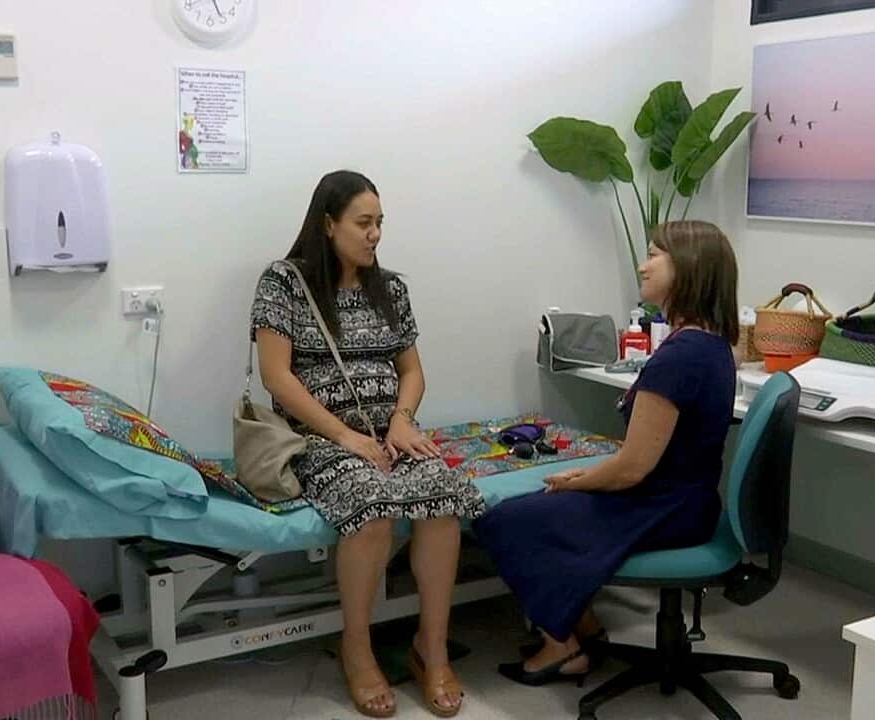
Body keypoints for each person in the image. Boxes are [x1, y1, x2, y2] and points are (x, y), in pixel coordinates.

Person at [251, 170, 485, 718]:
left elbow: (413, 371)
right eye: (363, 222)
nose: (375, 233)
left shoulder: (391, 289)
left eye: (380, 222)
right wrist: (346, 437)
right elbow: (276, 377)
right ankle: (356, 648)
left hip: (389, 435)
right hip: (318, 439)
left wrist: (403, 420)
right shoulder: (284, 283)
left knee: (443, 494)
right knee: (372, 508)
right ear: (328, 224)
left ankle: (432, 647)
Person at [473, 220, 740, 686]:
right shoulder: (711, 343)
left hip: (664, 506)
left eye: (655, 254)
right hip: (685, 499)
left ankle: (562, 647)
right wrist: (586, 478)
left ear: (689, 268)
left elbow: (631, 469)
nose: (643, 263)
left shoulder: (679, 358)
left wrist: (577, 480)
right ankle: (588, 630)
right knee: (545, 508)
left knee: (505, 520)